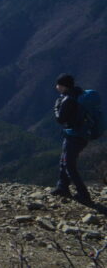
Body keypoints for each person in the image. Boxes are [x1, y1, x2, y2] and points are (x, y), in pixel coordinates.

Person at [51, 74, 93, 205]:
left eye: (58, 84)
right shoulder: (77, 93)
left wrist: (56, 107)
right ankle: (62, 187)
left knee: (69, 164)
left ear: (63, 86)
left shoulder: (68, 99)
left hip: (75, 136)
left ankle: (83, 194)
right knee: (64, 160)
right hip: (77, 134)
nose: (56, 86)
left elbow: (60, 119)